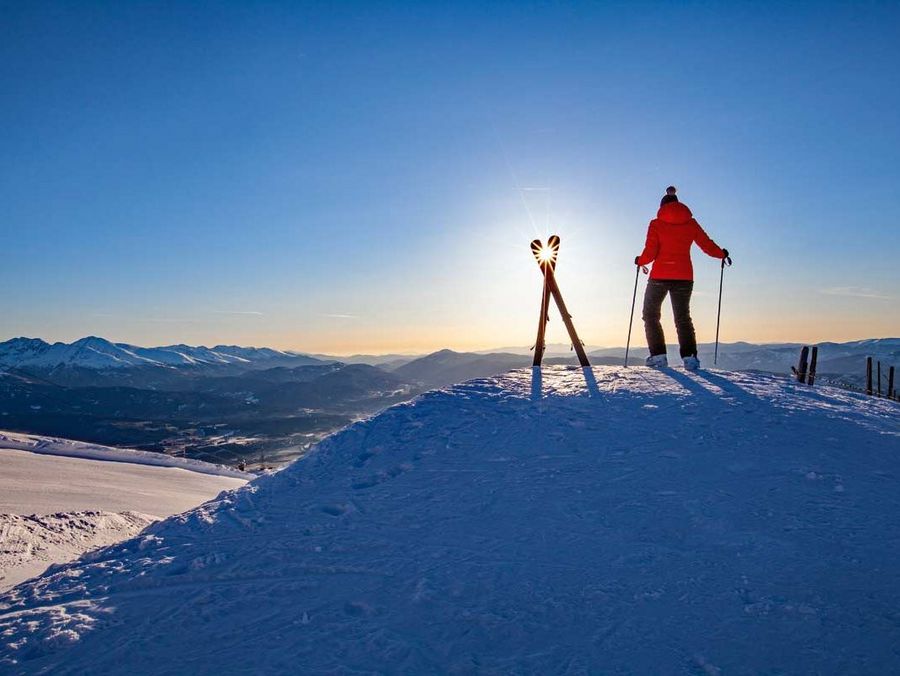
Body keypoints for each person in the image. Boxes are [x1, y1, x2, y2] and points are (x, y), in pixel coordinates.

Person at [635, 186, 728, 370]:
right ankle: (690, 359)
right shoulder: (690, 223)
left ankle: (659, 356)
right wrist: (721, 254)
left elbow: (650, 252)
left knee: (651, 314)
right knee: (683, 317)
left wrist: (640, 260)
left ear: (661, 207)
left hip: (659, 276)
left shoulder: (656, 224)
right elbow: (706, 244)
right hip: (684, 276)